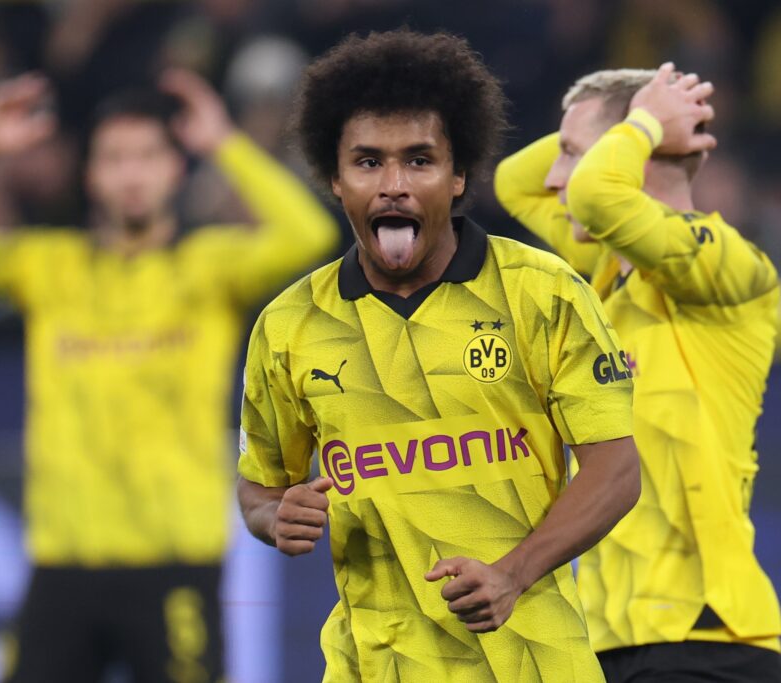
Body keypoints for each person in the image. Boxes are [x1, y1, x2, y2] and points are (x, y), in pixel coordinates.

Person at [0, 69, 338, 683]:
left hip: (177, 558)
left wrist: (222, 142)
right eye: (115, 158)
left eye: (149, 156)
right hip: (64, 562)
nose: (132, 173)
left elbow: (308, 234)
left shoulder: (207, 268)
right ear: (92, 174)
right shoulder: (48, 266)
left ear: (176, 170)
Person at [235, 29, 641, 682]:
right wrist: (271, 514)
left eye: (418, 160)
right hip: (372, 666)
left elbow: (616, 471)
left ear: (458, 176)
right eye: (368, 162)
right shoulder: (290, 325)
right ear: (335, 179)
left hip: (531, 665)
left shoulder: (543, 292)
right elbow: (259, 485)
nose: (393, 185)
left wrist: (513, 573)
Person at [495, 64, 781, 681]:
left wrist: (644, 121)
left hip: (706, 639)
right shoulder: (607, 268)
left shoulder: (731, 268)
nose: (555, 177)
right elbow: (511, 182)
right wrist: (637, 121)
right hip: (608, 642)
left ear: (633, 154)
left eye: (571, 154)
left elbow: (600, 195)